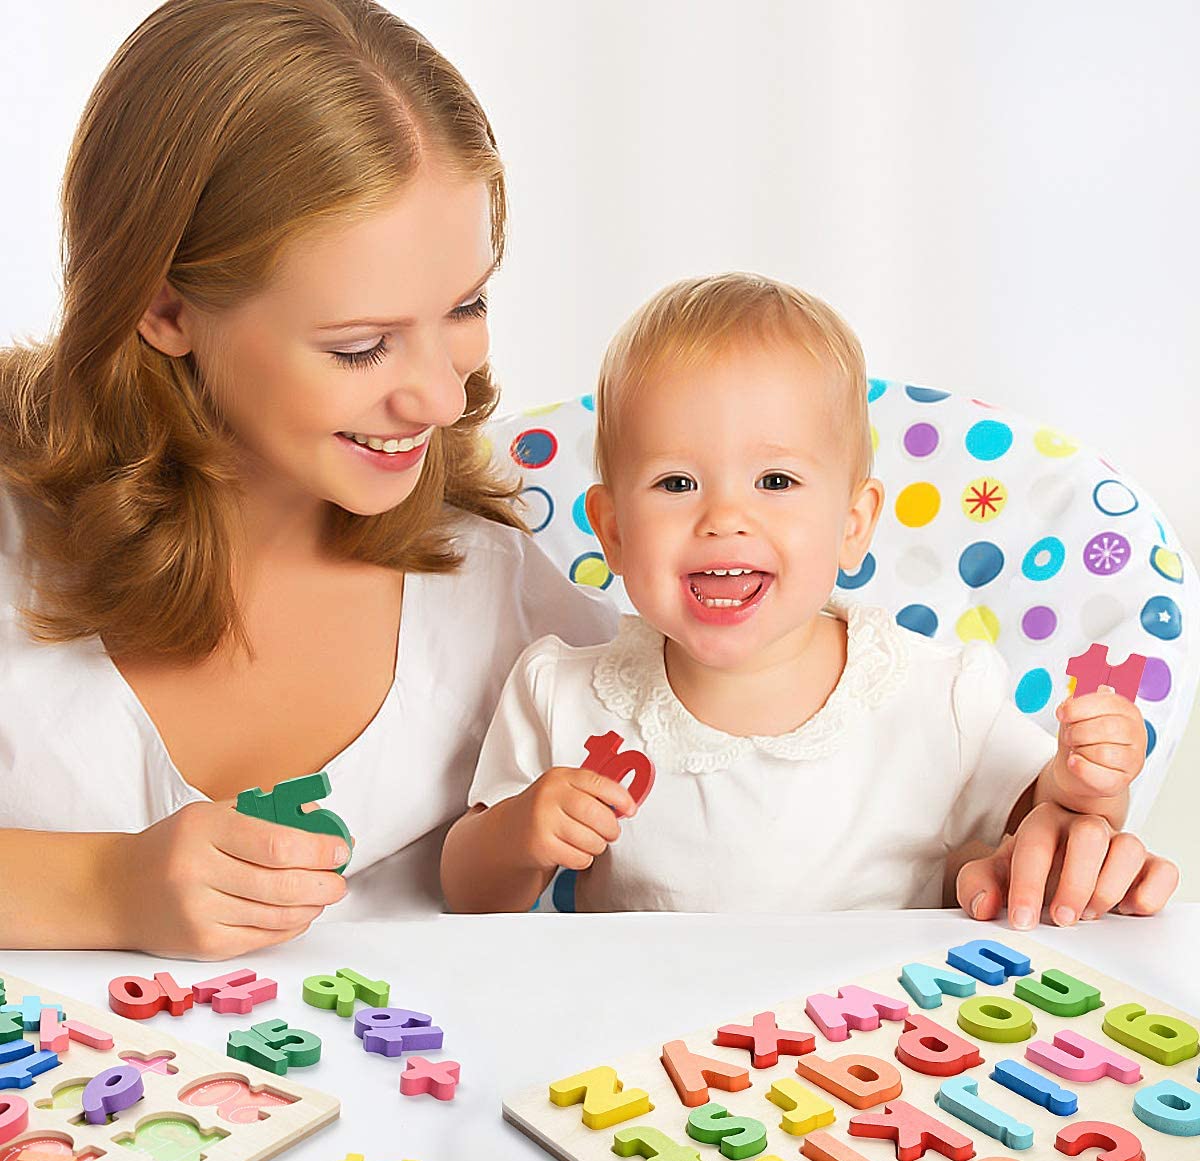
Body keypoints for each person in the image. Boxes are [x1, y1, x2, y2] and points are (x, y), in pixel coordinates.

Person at [0, 0, 616, 958]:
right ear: (165, 308)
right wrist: (104, 888)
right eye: (361, 347)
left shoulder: (493, 588)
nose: (440, 403)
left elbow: (734, 770)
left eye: (465, 306)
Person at [441, 273, 1180, 924]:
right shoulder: (562, 693)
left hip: (868, 1039)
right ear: (613, 531)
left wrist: (1084, 781)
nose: (723, 517)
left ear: (852, 527)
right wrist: (519, 834)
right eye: (676, 484)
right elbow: (466, 893)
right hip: (653, 1055)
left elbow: (1040, 829)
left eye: (775, 482)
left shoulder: (937, 693)